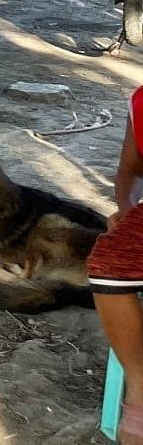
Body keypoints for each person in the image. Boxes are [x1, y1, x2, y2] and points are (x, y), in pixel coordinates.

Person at [90, 84, 143, 445]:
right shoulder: (141, 103)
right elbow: (129, 174)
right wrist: (126, 210)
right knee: (108, 262)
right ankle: (140, 386)